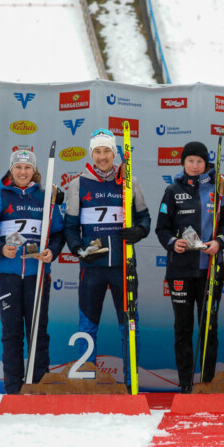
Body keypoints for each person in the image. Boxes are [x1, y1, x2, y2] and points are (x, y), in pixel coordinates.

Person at [63, 128, 150, 387]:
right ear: (91, 154)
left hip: (123, 266)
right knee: (87, 325)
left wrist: (139, 231)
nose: (102, 156)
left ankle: (131, 382)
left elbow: (144, 217)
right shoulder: (78, 184)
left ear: (115, 153)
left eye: (107, 151)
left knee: (129, 326)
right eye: (98, 151)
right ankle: (87, 382)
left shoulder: (129, 181)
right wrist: (78, 249)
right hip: (92, 267)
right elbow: (70, 227)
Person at [0, 149, 65, 394]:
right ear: (11, 170)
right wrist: (0, 249)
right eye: (18, 167)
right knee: (11, 333)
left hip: (37, 275)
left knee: (38, 333)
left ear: (34, 171)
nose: (23, 172)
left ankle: (39, 386)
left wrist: (52, 251)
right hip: (8, 276)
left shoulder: (45, 199)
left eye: (27, 168)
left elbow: (58, 233)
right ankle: (14, 389)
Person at [155, 142, 224, 392]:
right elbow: (162, 228)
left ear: (206, 163)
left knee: (209, 327)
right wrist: (172, 242)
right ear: (183, 163)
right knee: (183, 328)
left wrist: (219, 242)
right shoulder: (172, 190)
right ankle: (186, 384)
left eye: (200, 161)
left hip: (210, 270)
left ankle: (206, 383)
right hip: (180, 270)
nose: (195, 166)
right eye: (190, 161)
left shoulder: (218, 190)